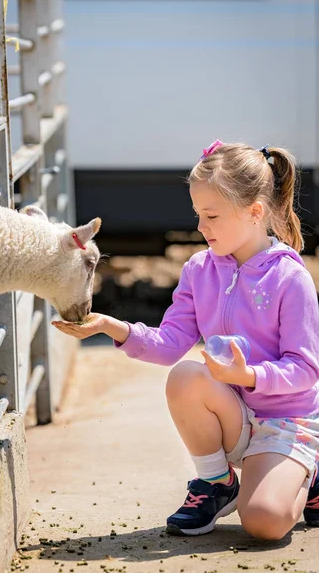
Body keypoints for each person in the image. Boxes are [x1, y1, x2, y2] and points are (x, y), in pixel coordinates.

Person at [52, 140, 319, 540]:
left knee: (264, 522)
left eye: (211, 215)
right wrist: (113, 327)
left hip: (284, 421)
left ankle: (308, 470)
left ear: (255, 212)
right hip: (235, 414)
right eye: (198, 214)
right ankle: (216, 483)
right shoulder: (199, 270)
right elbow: (171, 342)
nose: (200, 226)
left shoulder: (290, 279)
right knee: (185, 376)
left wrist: (249, 375)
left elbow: (305, 369)